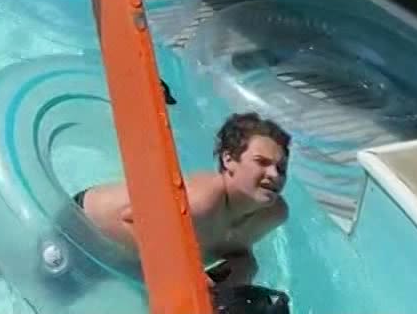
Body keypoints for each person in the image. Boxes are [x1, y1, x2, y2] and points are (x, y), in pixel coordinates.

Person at [75, 113, 291, 289]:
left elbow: (228, 245)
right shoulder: (201, 200)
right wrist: (185, 273)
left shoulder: (272, 215)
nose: (274, 174)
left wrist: (242, 266)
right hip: (85, 231)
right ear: (229, 160)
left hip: (135, 259)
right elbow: (132, 219)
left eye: (281, 168)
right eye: (261, 162)